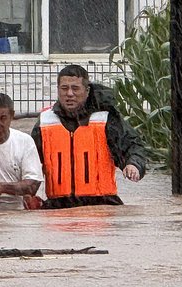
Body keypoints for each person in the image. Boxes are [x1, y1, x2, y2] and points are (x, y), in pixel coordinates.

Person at [31, 64, 148, 209]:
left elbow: (132, 146)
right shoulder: (44, 122)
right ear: (58, 90)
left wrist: (133, 165)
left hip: (103, 204)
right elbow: (29, 162)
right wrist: (26, 193)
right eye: (64, 88)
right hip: (57, 206)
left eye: (75, 88)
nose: (69, 94)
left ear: (87, 91)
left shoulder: (105, 119)